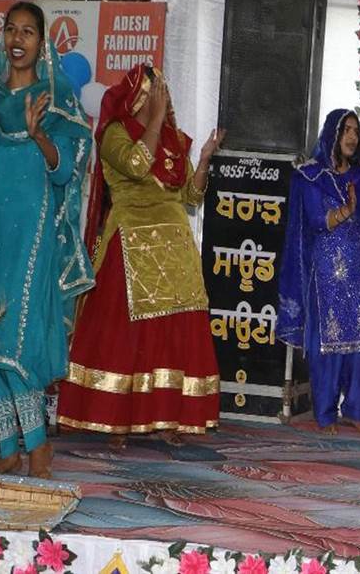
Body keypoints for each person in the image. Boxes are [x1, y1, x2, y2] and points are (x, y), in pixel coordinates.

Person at [0, 1, 93, 478]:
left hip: (31, 230)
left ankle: (38, 446)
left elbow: (64, 172)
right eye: (11, 29)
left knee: (17, 337)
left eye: (28, 31)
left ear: (41, 41)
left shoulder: (54, 98)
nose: (17, 39)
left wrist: (38, 135)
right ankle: (8, 447)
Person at [57, 65, 224, 448]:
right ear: (134, 98)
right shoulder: (114, 133)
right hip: (131, 246)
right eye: (151, 93)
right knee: (126, 338)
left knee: (174, 334)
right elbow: (136, 164)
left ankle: (168, 417)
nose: (159, 99)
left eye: (161, 92)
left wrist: (203, 160)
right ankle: (115, 419)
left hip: (176, 249)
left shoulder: (173, 140)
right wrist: (157, 121)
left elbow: (191, 196)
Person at [277, 109, 360, 433]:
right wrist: (346, 209)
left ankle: (356, 409)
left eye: (356, 131)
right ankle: (326, 413)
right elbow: (318, 220)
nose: (352, 137)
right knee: (328, 344)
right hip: (327, 273)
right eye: (346, 130)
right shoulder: (312, 176)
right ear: (332, 133)